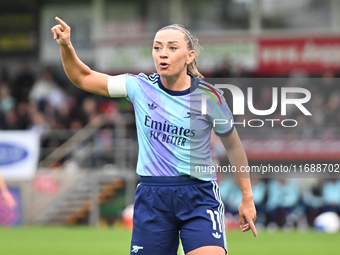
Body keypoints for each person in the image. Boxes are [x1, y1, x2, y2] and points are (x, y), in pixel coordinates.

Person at [51, 17, 257, 255]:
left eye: (172, 47)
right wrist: (66, 46)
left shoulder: (211, 97)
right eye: (157, 47)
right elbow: (83, 77)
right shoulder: (139, 87)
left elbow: (234, 147)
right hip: (152, 198)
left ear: (190, 56)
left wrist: (247, 198)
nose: (163, 54)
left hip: (199, 197)